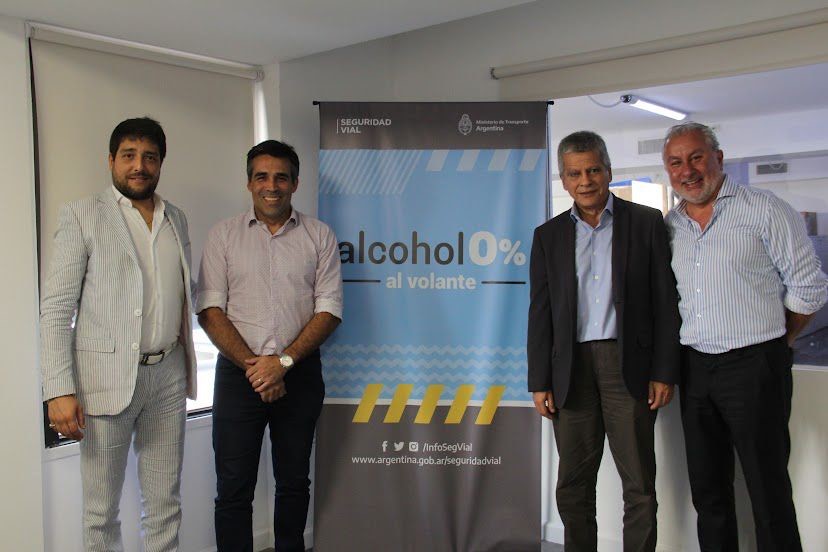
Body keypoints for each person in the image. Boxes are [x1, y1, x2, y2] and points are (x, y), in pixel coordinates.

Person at [663, 121, 826, 551]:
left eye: (696, 157)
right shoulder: (670, 224)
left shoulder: (765, 209)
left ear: (718, 158)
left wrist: (778, 340)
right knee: (708, 491)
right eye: (675, 162)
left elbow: (809, 287)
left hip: (755, 364)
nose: (687, 170)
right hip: (695, 368)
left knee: (767, 488)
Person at [41, 117, 197, 551]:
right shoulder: (82, 215)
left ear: (161, 163)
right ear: (111, 160)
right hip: (103, 379)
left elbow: (183, 294)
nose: (139, 165)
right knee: (100, 512)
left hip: (168, 375)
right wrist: (58, 389)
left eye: (149, 157)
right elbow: (56, 308)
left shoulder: (176, 218)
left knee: (165, 504)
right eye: (129, 155)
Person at [527, 131, 680, 551]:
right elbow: (540, 313)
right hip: (570, 371)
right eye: (575, 173)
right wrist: (539, 381)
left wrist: (664, 370)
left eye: (593, 170)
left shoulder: (646, 223)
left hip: (627, 366)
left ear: (608, 171)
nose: (586, 181)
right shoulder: (548, 236)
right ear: (563, 180)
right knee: (572, 486)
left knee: (639, 485)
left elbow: (666, 302)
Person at [197, 139, 343, 552]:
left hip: (300, 374)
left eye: (281, 177)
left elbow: (330, 309)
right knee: (233, 487)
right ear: (249, 183)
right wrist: (258, 367)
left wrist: (283, 363)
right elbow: (209, 309)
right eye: (262, 176)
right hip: (238, 375)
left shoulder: (319, 236)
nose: (271, 186)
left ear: (295, 183)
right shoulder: (223, 236)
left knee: (294, 482)